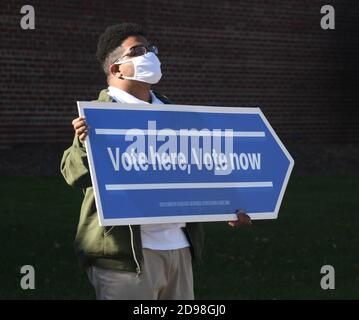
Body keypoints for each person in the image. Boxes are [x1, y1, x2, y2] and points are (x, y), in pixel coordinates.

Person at [60, 23, 251, 300]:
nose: (149, 55)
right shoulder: (98, 117)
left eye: (151, 49)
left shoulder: (176, 114)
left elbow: (198, 168)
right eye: (138, 51)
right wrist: (82, 142)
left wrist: (226, 206)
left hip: (179, 248)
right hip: (125, 259)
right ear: (116, 68)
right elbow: (72, 174)